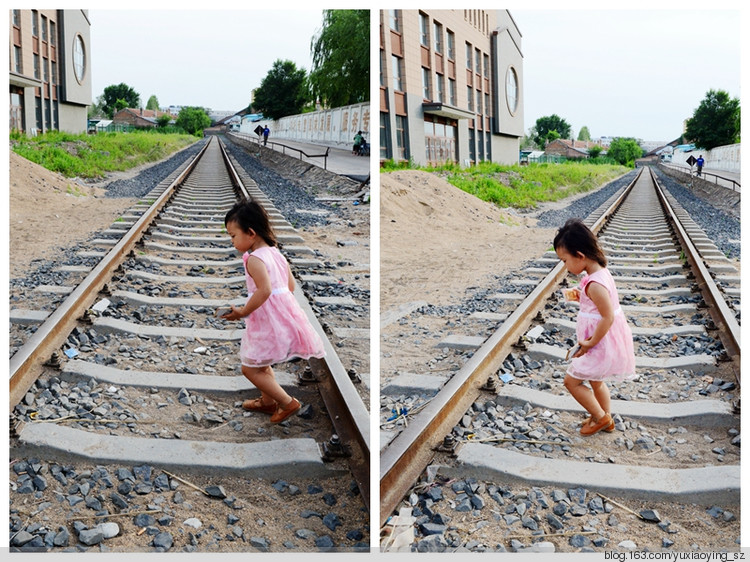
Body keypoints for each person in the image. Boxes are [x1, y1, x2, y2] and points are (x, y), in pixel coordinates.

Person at [222, 199, 325, 423]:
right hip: (281, 317)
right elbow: (290, 287)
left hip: (265, 320)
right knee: (262, 362)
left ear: (250, 233)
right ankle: (267, 402)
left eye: (233, 235)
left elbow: (264, 290)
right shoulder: (275, 253)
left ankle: (288, 403)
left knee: (249, 368)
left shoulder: (254, 259)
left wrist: (241, 311)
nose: (231, 241)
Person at [553, 218, 636, 436]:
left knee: (571, 381)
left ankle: (601, 418)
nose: (565, 266)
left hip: (598, 341)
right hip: (601, 340)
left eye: (564, 260)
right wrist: (582, 297)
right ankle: (604, 419)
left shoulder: (595, 284)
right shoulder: (598, 273)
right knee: (597, 382)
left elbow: (607, 317)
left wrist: (589, 343)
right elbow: (600, 307)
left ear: (580, 255)